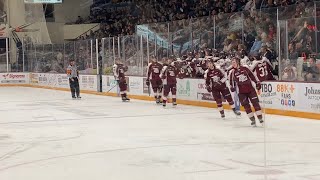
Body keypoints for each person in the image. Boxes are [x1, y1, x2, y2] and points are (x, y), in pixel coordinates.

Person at [229, 57, 263, 127]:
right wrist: (232, 87)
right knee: (246, 106)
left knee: (255, 104)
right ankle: (252, 120)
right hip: (241, 93)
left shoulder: (245, 68)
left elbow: (253, 75)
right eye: (232, 63)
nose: (233, 64)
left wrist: (257, 82)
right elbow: (231, 82)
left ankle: (260, 118)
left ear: (238, 62)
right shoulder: (232, 72)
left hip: (250, 89)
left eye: (234, 62)